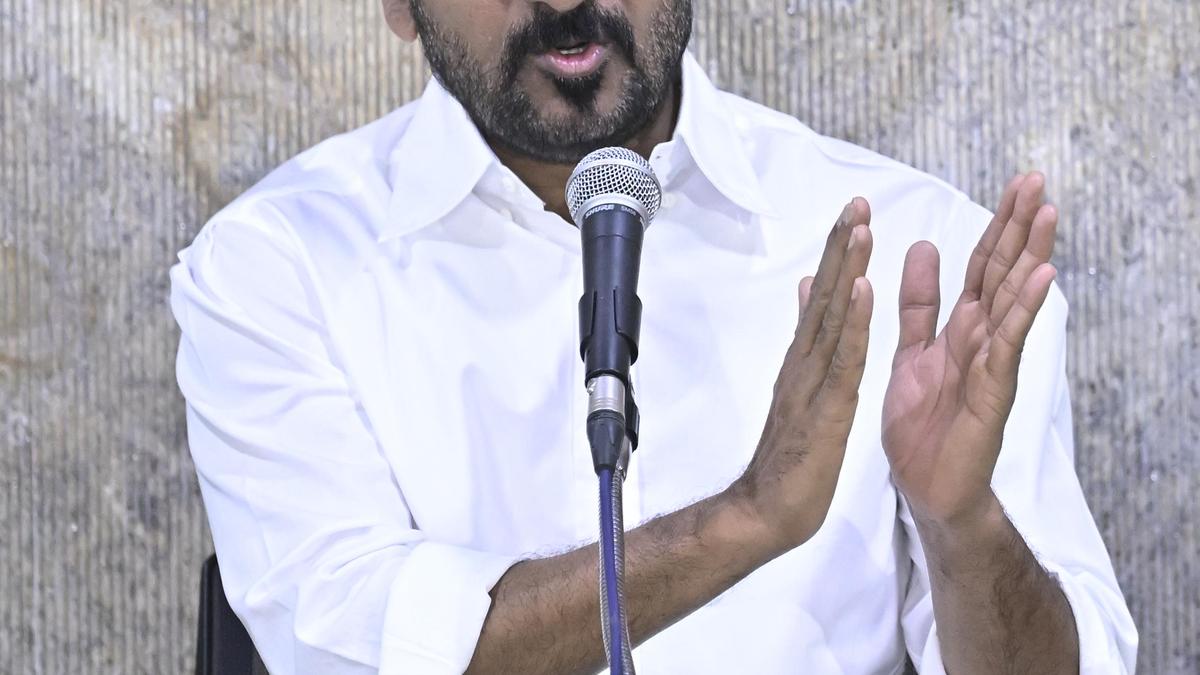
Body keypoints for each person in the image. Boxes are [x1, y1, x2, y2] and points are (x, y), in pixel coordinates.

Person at [169, 1, 1138, 673]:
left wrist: (963, 524)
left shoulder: (923, 258)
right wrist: (748, 518)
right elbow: (355, 651)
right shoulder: (279, 269)